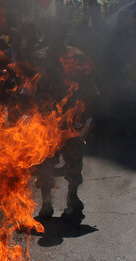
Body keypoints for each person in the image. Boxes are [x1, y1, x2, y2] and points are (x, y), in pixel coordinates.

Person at [33, 23, 96, 221]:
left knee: (74, 159)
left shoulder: (77, 56)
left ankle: (72, 198)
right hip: (48, 120)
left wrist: (86, 117)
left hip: (72, 118)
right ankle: (46, 203)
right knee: (44, 162)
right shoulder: (40, 56)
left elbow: (90, 86)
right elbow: (33, 85)